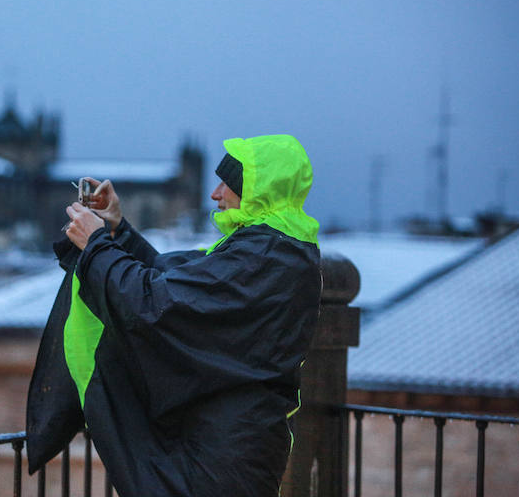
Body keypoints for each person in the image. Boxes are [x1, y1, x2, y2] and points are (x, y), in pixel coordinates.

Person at [26, 134, 321, 497]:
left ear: (259, 191)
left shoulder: (264, 257)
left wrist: (98, 245)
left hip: (223, 457)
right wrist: (118, 230)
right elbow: (175, 281)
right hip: (228, 445)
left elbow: (157, 302)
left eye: (227, 184)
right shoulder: (272, 249)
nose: (215, 194)